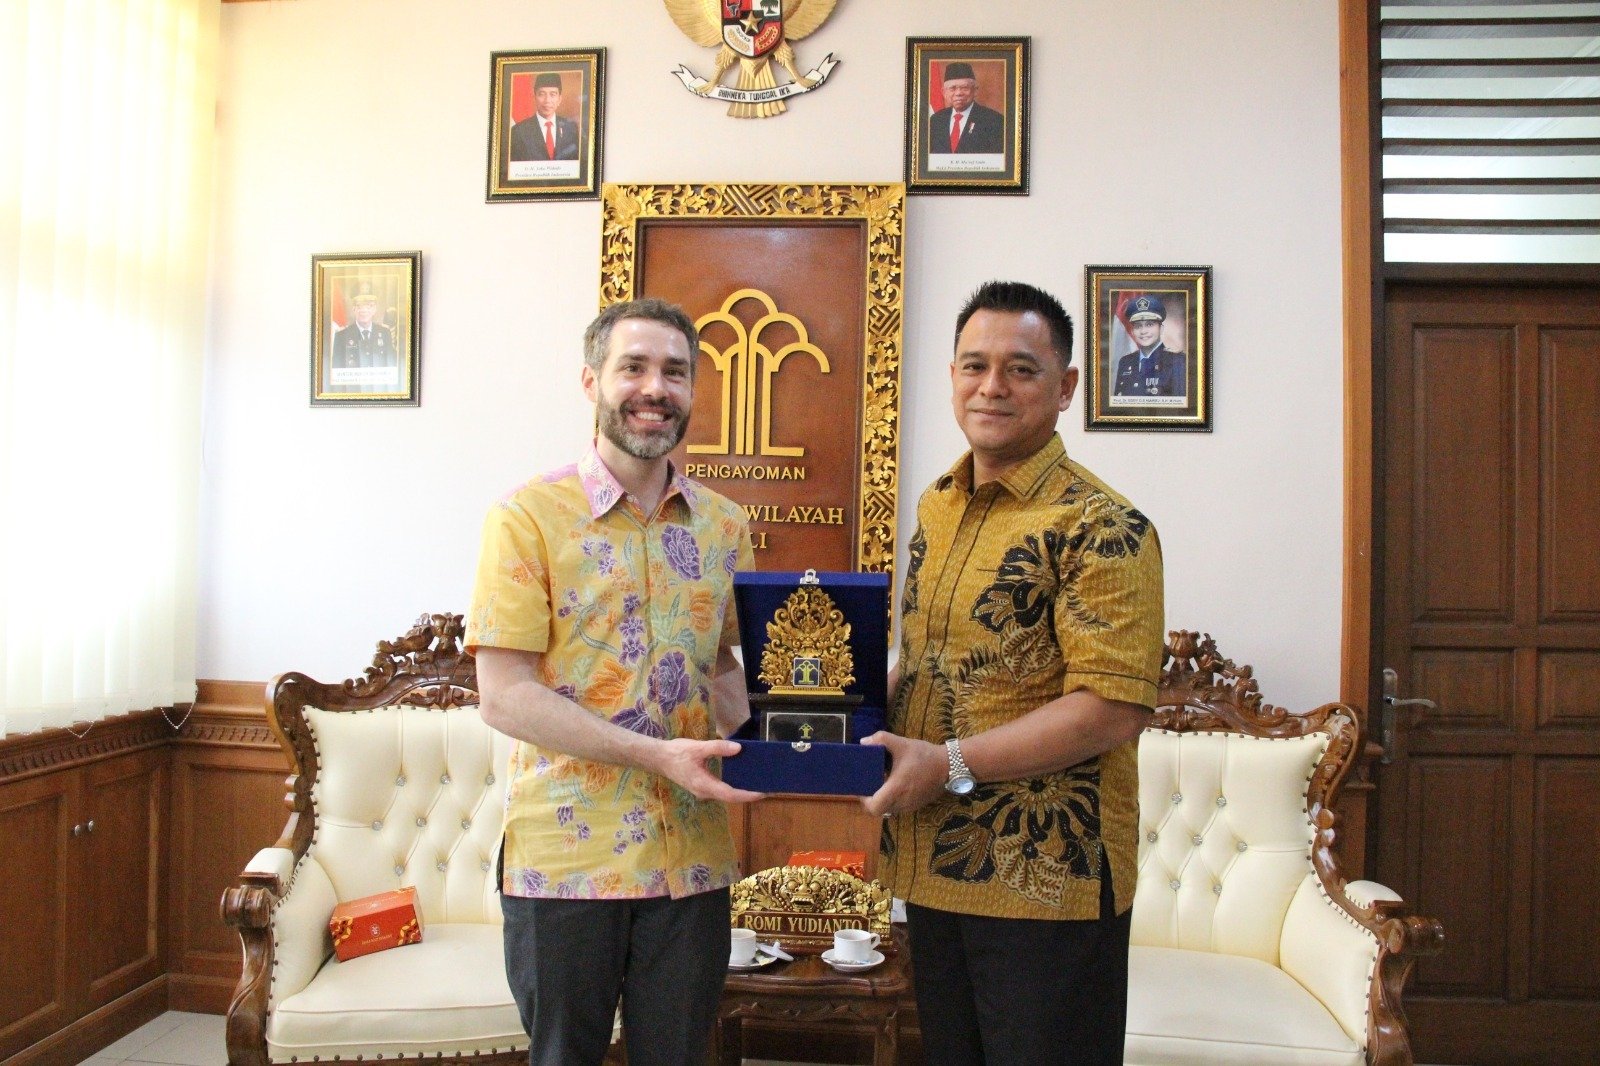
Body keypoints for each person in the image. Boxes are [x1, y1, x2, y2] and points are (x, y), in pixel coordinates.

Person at [861, 281, 1164, 1065]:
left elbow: (1111, 708)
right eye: (974, 365)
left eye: (1021, 369)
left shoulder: (1104, 525)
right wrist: (836, 711)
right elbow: (930, 661)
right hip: (934, 862)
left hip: (1047, 883)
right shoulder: (937, 506)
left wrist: (945, 763)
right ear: (952, 377)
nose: (991, 386)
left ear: (1065, 387)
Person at [465, 298, 762, 1066]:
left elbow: (724, 667)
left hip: (692, 862)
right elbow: (503, 694)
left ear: (693, 390)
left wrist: (791, 745)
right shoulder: (526, 517)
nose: (654, 388)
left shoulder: (725, 526)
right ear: (592, 380)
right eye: (634, 367)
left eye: (675, 372)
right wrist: (656, 755)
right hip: (566, 866)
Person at [1112, 293, 1187, 398]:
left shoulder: (1178, 361)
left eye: (1149, 325)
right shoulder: (1125, 362)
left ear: (1161, 329)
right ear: (1132, 331)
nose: (1143, 331)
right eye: (1138, 326)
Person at [329, 282, 398, 394]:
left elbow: (392, 365)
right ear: (354, 309)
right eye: (359, 306)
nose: (364, 310)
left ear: (374, 309)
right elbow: (336, 371)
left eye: (369, 306)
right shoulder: (341, 336)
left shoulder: (385, 333)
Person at [928, 61, 1005, 155]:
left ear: (975, 91)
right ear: (944, 92)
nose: (958, 93)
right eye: (952, 88)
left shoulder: (994, 121)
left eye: (964, 88)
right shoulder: (935, 120)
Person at [510, 71, 581, 161]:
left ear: (559, 99)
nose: (547, 100)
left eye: (553, 94)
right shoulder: (519, 131)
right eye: (542, 94)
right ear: (534, 97)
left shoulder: (570, 128)